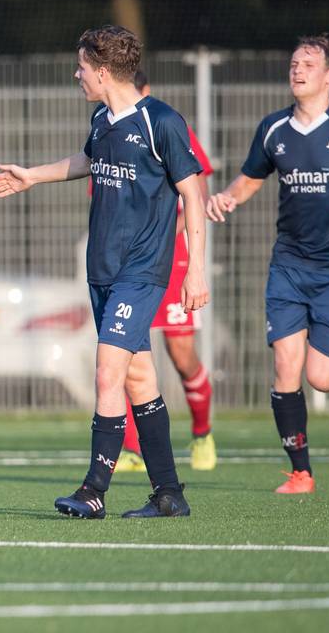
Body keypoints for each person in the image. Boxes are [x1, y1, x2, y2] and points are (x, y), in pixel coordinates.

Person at [0, 25, 208, 518]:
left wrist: (194, 272)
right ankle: (169, 494)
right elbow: (89, 160)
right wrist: (32, 176)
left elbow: (193, 194)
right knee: (138, 377)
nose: (77, 74)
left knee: (107, 370)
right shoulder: (102, 118)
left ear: (103, 72)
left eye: (82, 68)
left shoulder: (163, 122)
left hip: (143, 270)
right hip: (102, 270)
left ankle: (93, 491)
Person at [206, 34, 329, 495]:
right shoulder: (275, 128)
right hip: (289, 266)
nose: (298, 69)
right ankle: (300, 472)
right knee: (286, 371)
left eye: (308, 63)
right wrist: (228, 198)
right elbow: (252, 176)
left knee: (322, 377)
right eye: (294, 62)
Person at [109, 70, 217, 473]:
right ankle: (132, 450)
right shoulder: (108, 131)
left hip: (171, 259)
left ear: (146, 92)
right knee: (124, 348)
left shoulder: (168, 126)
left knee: (180, 352)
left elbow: (195, 196)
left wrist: (160, 238)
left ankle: (202, 432)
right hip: (128, 262)